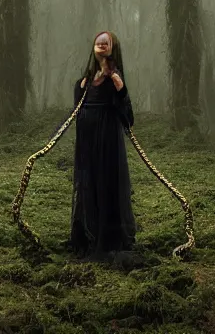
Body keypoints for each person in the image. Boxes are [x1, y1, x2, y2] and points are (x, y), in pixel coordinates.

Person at [68, 31, 136, 260]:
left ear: (112, 47)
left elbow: (127, 114)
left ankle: (109, 238)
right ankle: (87, 233)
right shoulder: (88, 78)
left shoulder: (115, 77)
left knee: (107, 183)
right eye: (99, 40)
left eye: (106, 41)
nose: (102, 43)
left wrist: (120, 88)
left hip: (107, 141)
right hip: (87, 141)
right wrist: (81, 87)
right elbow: (78, 108)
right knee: (88, 183)